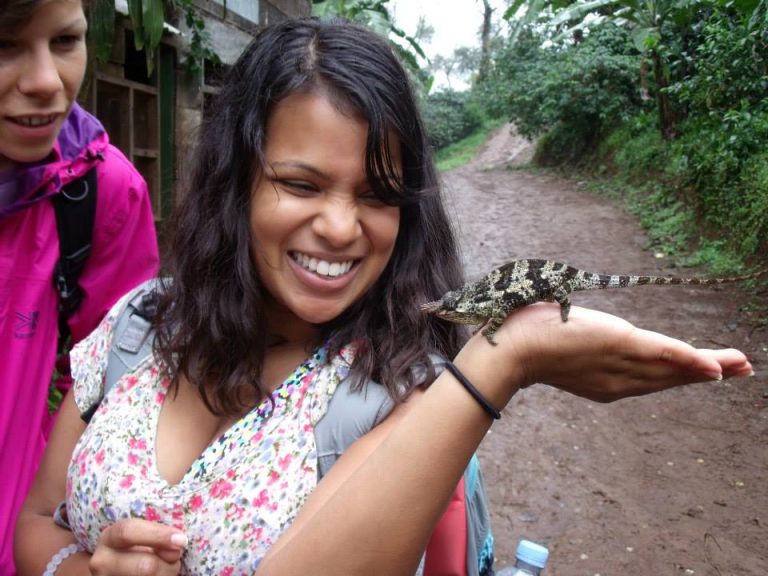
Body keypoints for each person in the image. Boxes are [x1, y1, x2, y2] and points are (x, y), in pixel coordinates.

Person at [14, 16, 753, 576]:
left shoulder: (401, 388)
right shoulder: (142, 323)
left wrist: (508, 356)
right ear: (235, 182)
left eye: (377, 195)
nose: (339, 228)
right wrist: (82, 566)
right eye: (300, 184)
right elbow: (35, 520)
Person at [0, 0, 159, 573]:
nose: (47, 82)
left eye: (65, 41)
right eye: (5, 46)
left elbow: (103, 388)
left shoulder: (101, 193)